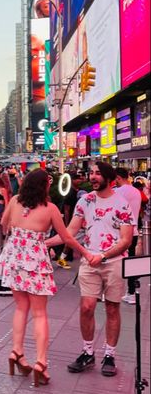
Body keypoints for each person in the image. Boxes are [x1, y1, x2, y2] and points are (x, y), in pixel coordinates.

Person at [0, 169, 92, 386]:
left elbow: (4, 225)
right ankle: (41, 362)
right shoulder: (50, 209)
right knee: (40, 314)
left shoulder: (14, 201)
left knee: (21, 308)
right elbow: (66, 236)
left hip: (14, 257)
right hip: (35, 260)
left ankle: (16, 352)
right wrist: (85, 252)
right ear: (44, 186)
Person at [47, 161, 133, 378]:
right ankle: (87, 352)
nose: (92, 177)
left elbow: (126, 240)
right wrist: (43, 243)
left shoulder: (122, 204)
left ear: (108, 177)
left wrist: (103, 255)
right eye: (91, 173)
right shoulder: (85, 201)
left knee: (112, 308)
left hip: (113, 261)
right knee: (87, 307)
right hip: (89, 261)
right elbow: (70, 232)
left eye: (97, 174)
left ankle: (110, 354)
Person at [114, 167, 143, 305]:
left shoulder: (118, 192)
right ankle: (131, 292)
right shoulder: (136, 191)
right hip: (134, 231)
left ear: (118, 178)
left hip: (119, 233)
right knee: (130, 262)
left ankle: (108, 292)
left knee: (113, 262)